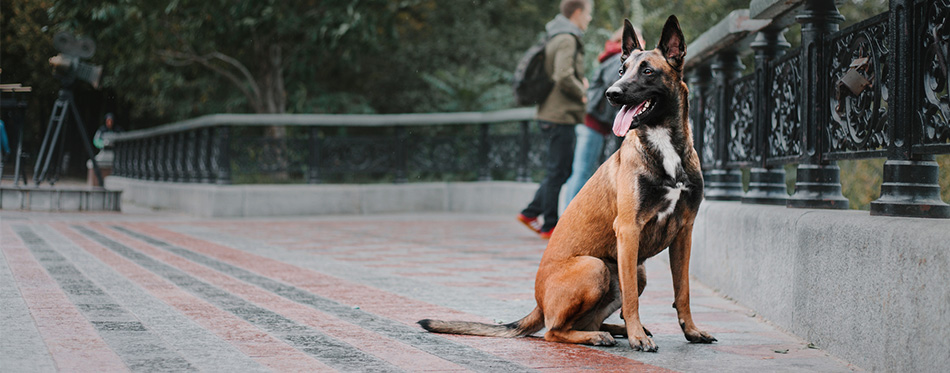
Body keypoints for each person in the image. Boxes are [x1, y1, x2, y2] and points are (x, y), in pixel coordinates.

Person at [517, 0, 591, 239]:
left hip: (556, 114)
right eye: (588, 14)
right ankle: (549, 225)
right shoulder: (567, 39)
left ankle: (531, 212)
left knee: (559, 169)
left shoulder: (558, 36)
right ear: (578, 12)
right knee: (557, 170)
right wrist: (582, 91)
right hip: (558, 115)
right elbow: (563, 75)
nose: (589, 19)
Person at [562, 26, 646, 208]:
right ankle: (567, 218)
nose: (643, 46)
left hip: (591, 122)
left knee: (581, 171)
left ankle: (566, 216)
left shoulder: (609, 57)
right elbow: (615, 86)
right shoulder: (618, 59)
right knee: (582, 172)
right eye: (640, 41)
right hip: (593, 123)